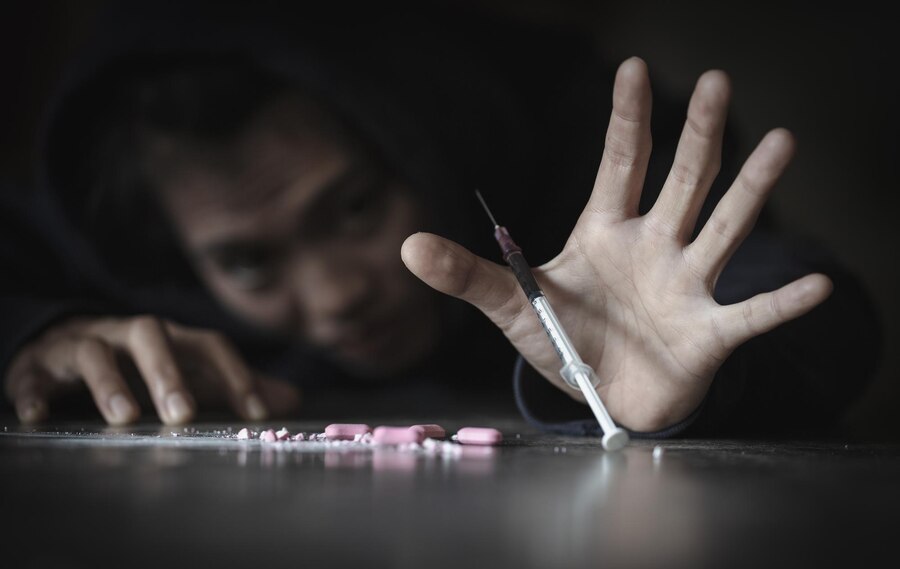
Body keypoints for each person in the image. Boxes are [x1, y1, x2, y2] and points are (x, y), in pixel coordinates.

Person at [0, 0, 882, 438]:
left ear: (419, 143)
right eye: (249, 264)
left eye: (352, 207)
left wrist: (703, 378)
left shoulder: (568, 146)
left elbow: (807, 306)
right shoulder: (116, 238)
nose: (338, 293)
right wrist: (35, 334)